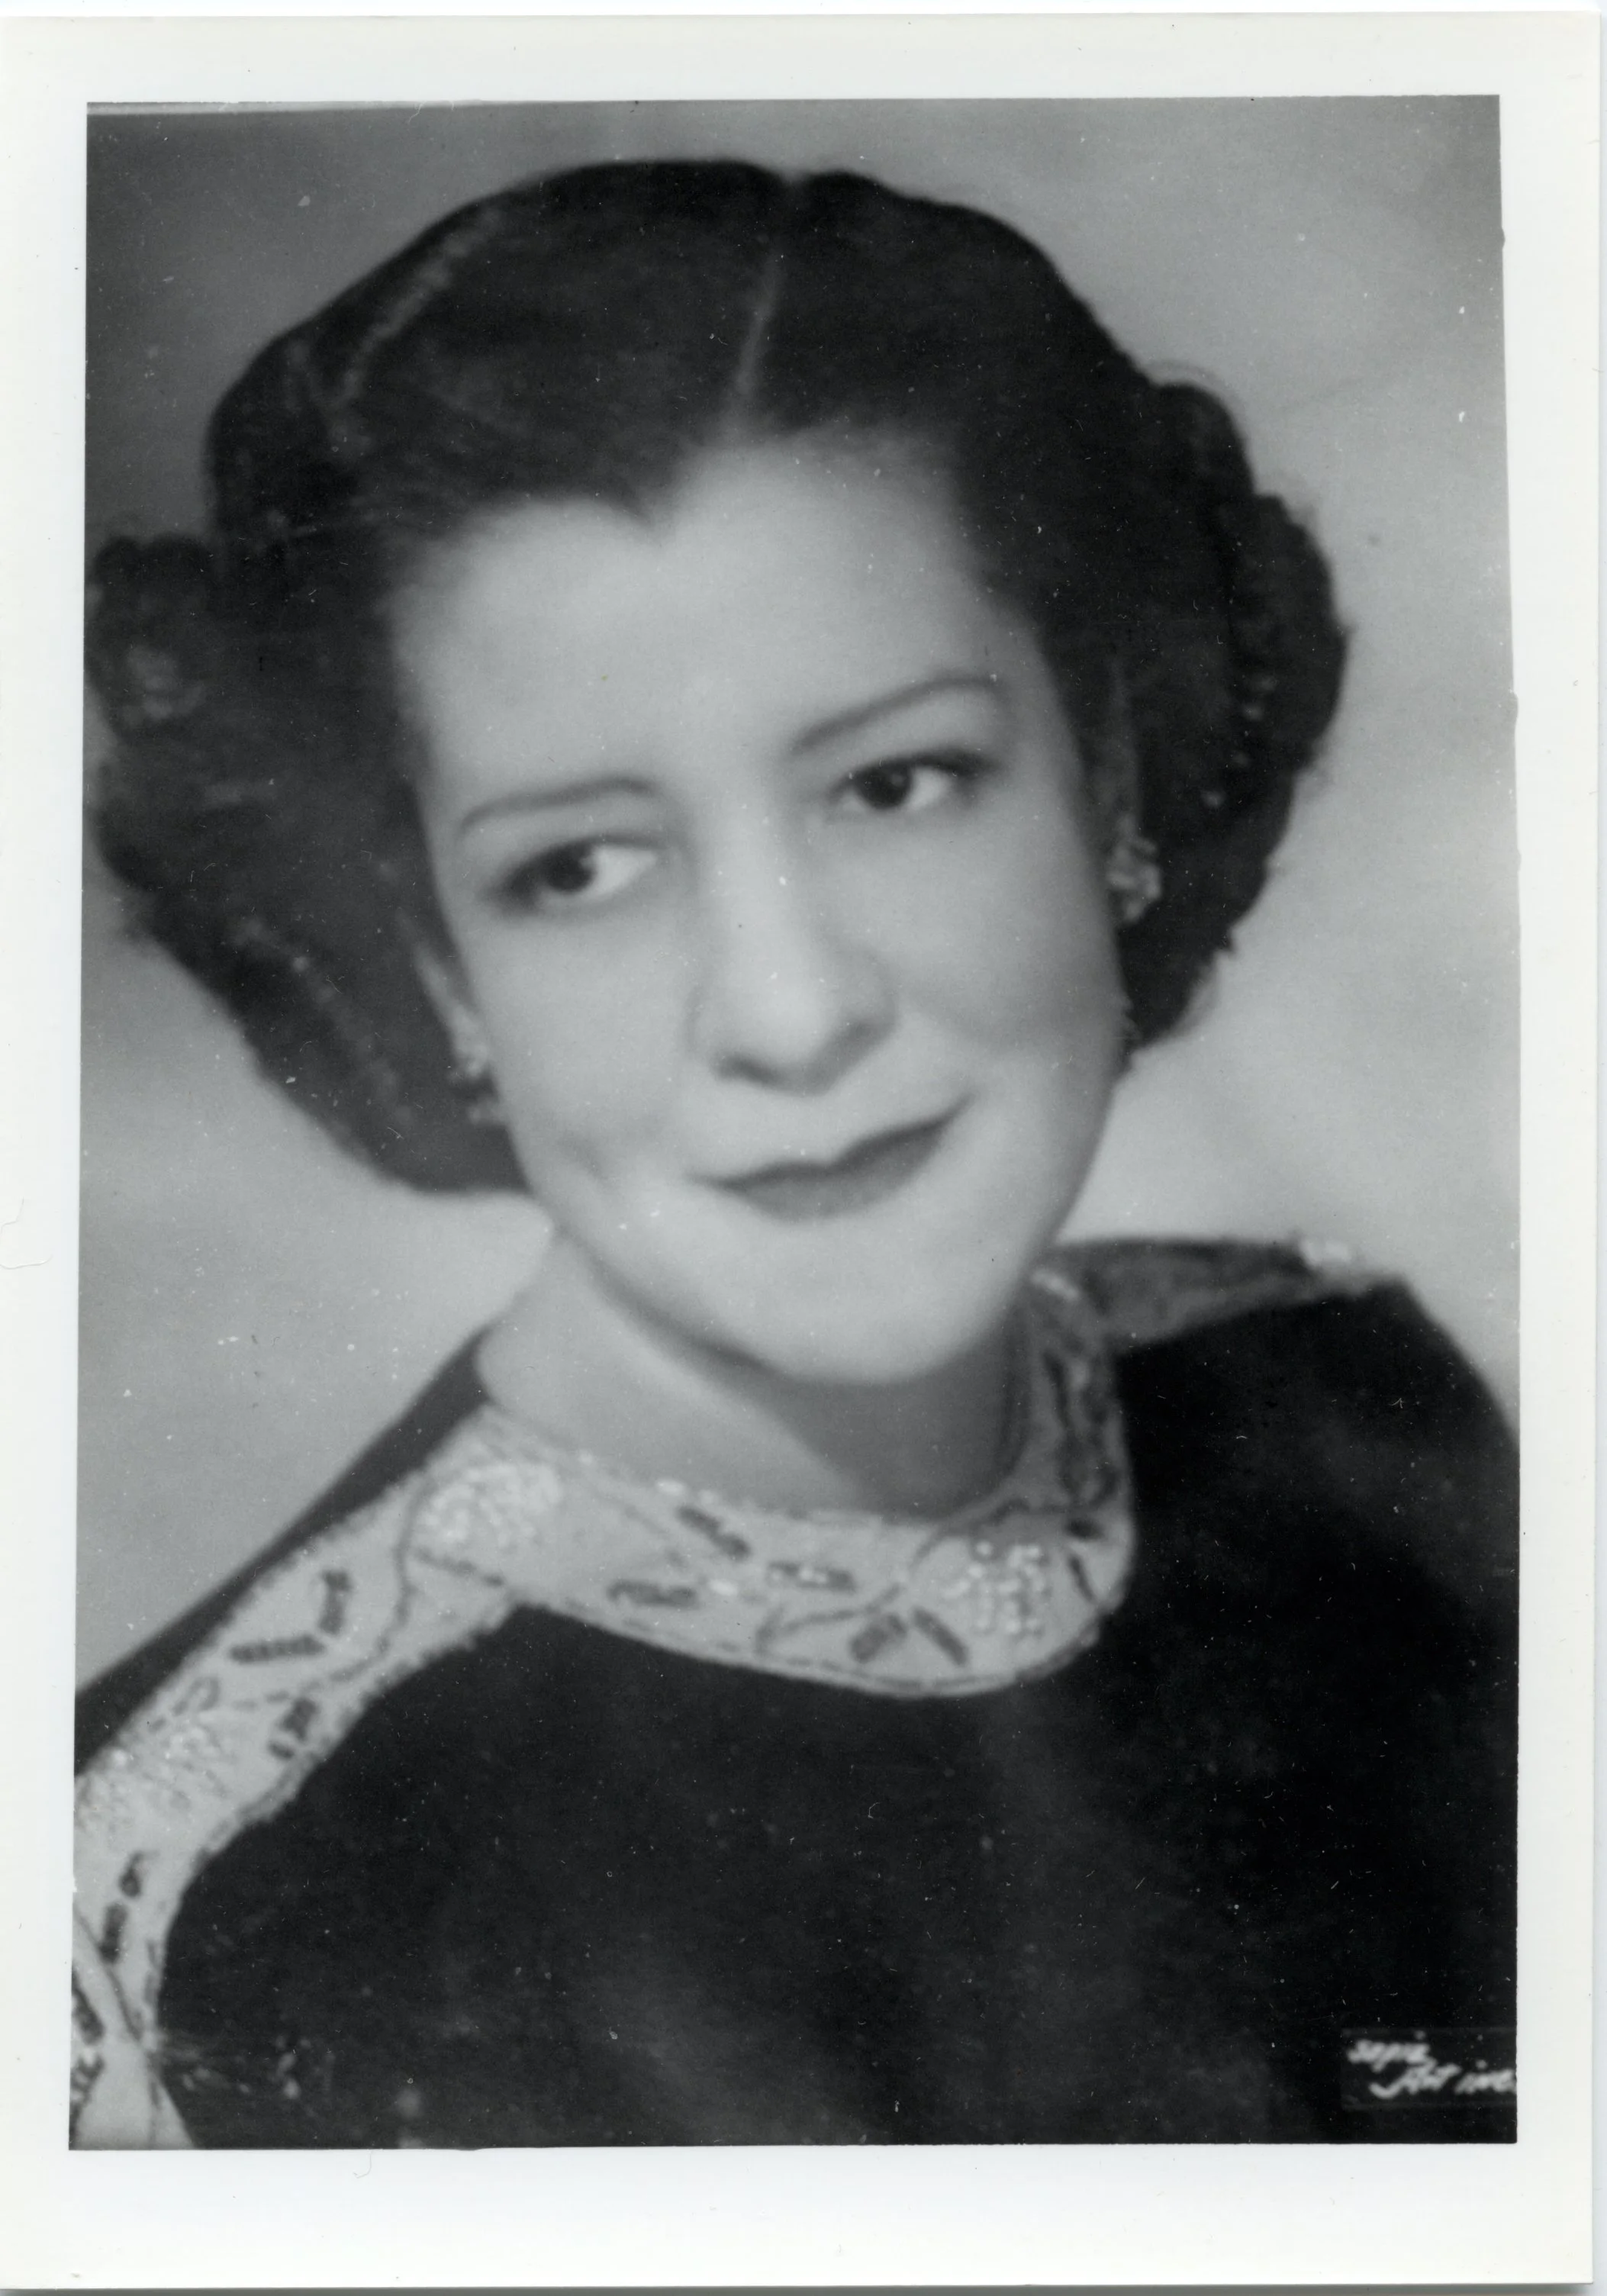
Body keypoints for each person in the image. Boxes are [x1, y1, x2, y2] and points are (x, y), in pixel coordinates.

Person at [72, 159, 1515, 2149]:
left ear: (1104, 775)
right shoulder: (196, 1909)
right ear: (439, 965)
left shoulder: (1354, 1415)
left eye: (896, 781)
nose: (789, 1009)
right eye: (579, 868)